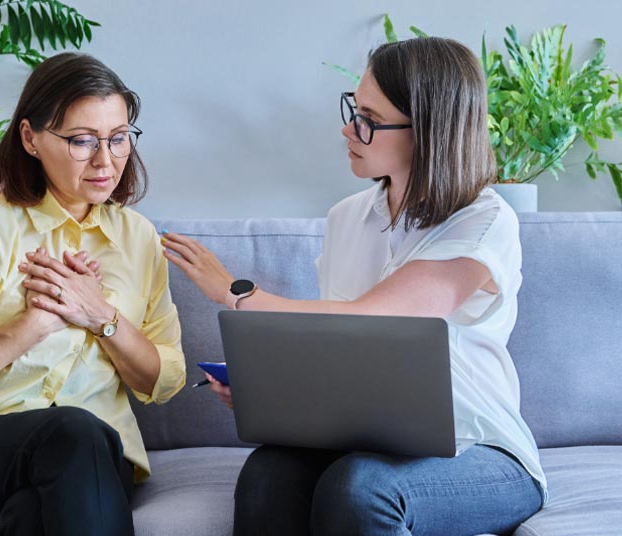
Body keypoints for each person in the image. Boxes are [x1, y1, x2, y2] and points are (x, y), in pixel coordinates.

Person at [161, 37, 546, 536]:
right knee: (267, 472)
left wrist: (235, 293)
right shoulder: (346, 219)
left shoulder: (485, 222)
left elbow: (373, 317)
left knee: (361, 488)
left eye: (368, 118)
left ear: (428, 130)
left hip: (481, 451)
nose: (349, 128)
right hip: (369, 443)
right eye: (352, 108)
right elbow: (339, 353)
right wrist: (271, 391)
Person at [0, 53, 186, 536]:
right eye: (83, 141)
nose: (106, 160)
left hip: (95, 459)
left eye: (118, 137)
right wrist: (33, 326)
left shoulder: (138, 239)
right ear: (30, 138)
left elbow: (164, 380)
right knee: (74, 429)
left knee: (36, 511)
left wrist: (100, 315)